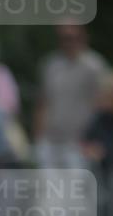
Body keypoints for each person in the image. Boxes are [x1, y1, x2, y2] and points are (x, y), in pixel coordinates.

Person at [34, 22, 108, 168]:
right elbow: (42, 102)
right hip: (51, 141)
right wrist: (38, 138)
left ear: (82, 37)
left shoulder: (94, 66)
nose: (68, 42)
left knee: (76, 188)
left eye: (72, 37)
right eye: (64, 38)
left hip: (80, 142)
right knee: (49, 188)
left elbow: (102, 104)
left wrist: (96, 138)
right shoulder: (51, 65)